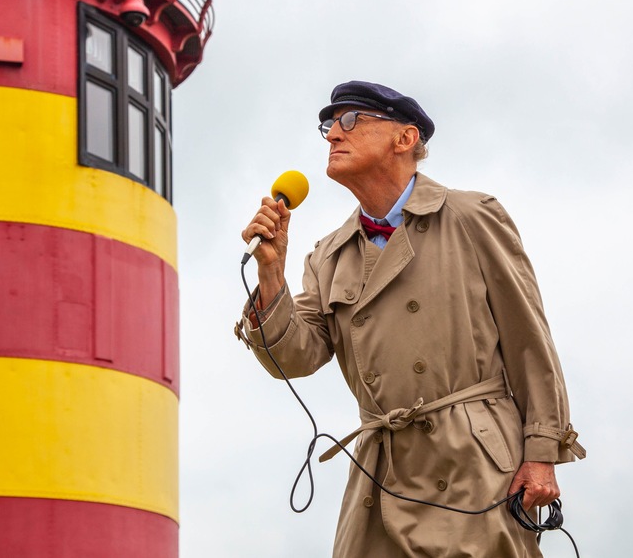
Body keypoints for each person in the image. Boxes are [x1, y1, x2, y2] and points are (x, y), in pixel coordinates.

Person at [235, 81, 585, 557]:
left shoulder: (471, 216)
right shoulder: (327, 256)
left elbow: (529, 341)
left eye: (351, 120)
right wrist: (271, 273)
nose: (333, 134)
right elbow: (291, 359)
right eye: (329, 125)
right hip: (382, 475)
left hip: (473, 463)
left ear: (404, 139)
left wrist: (542, 453)